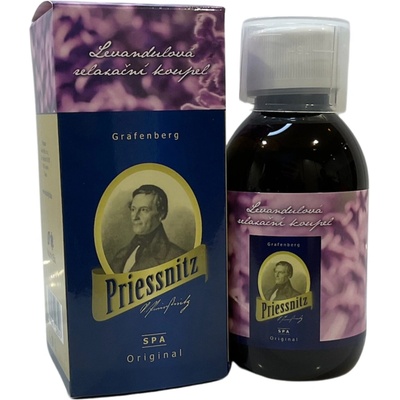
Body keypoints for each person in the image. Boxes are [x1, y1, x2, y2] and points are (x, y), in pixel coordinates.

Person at [111, 184, 185, 273]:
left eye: (144, 210)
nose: (135, 217)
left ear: (161, 214)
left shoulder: (177, 257)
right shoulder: (121, 254)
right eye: (133, 209)